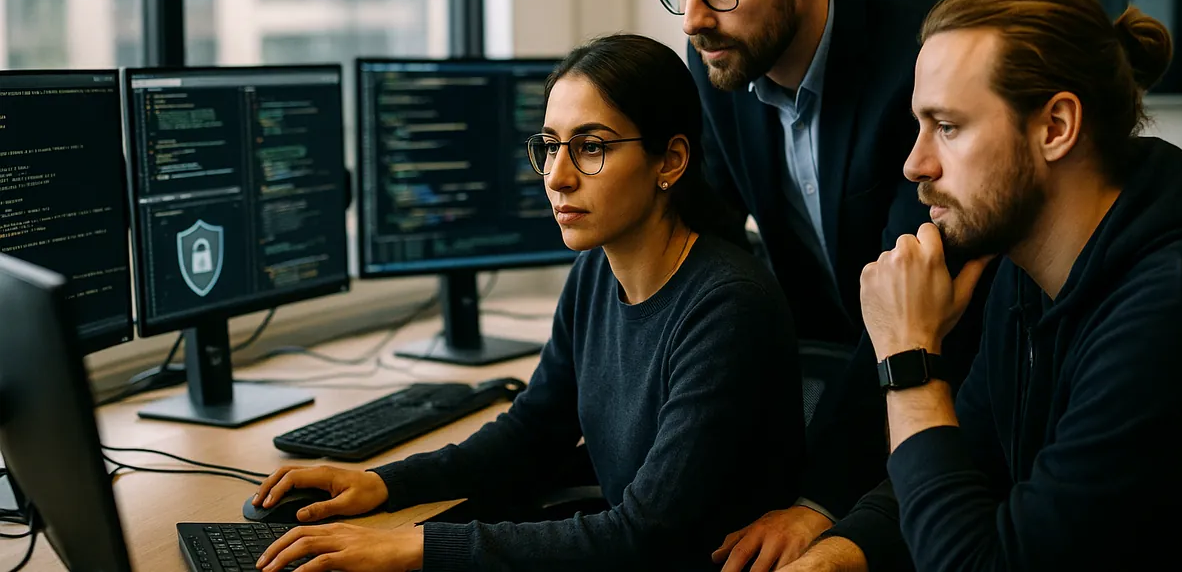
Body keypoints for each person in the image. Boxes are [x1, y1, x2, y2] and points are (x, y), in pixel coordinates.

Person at [251, 34, 806, 572]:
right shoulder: (596, 269)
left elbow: (642, 535)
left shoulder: (726, 308)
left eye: (591, 147)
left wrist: (413, 548)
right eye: (549, 146)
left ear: (671, 161)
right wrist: (387, 483)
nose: (558, 177)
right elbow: (533, 433)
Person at [782, 0, 1182, 571]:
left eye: (947, 127)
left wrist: (908, 361)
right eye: (919, 126)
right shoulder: (1023, 273)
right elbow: (965, 463)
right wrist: (837, 554)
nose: (914, 164)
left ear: (1055, 127)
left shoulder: (1167, 313)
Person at [650, 0, 990, 568]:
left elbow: (907, 300)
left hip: (939, 383)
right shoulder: (722, 55)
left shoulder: (921, 55)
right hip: (824, 362)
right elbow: (705, 236)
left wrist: (818, 500)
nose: (693, 20)